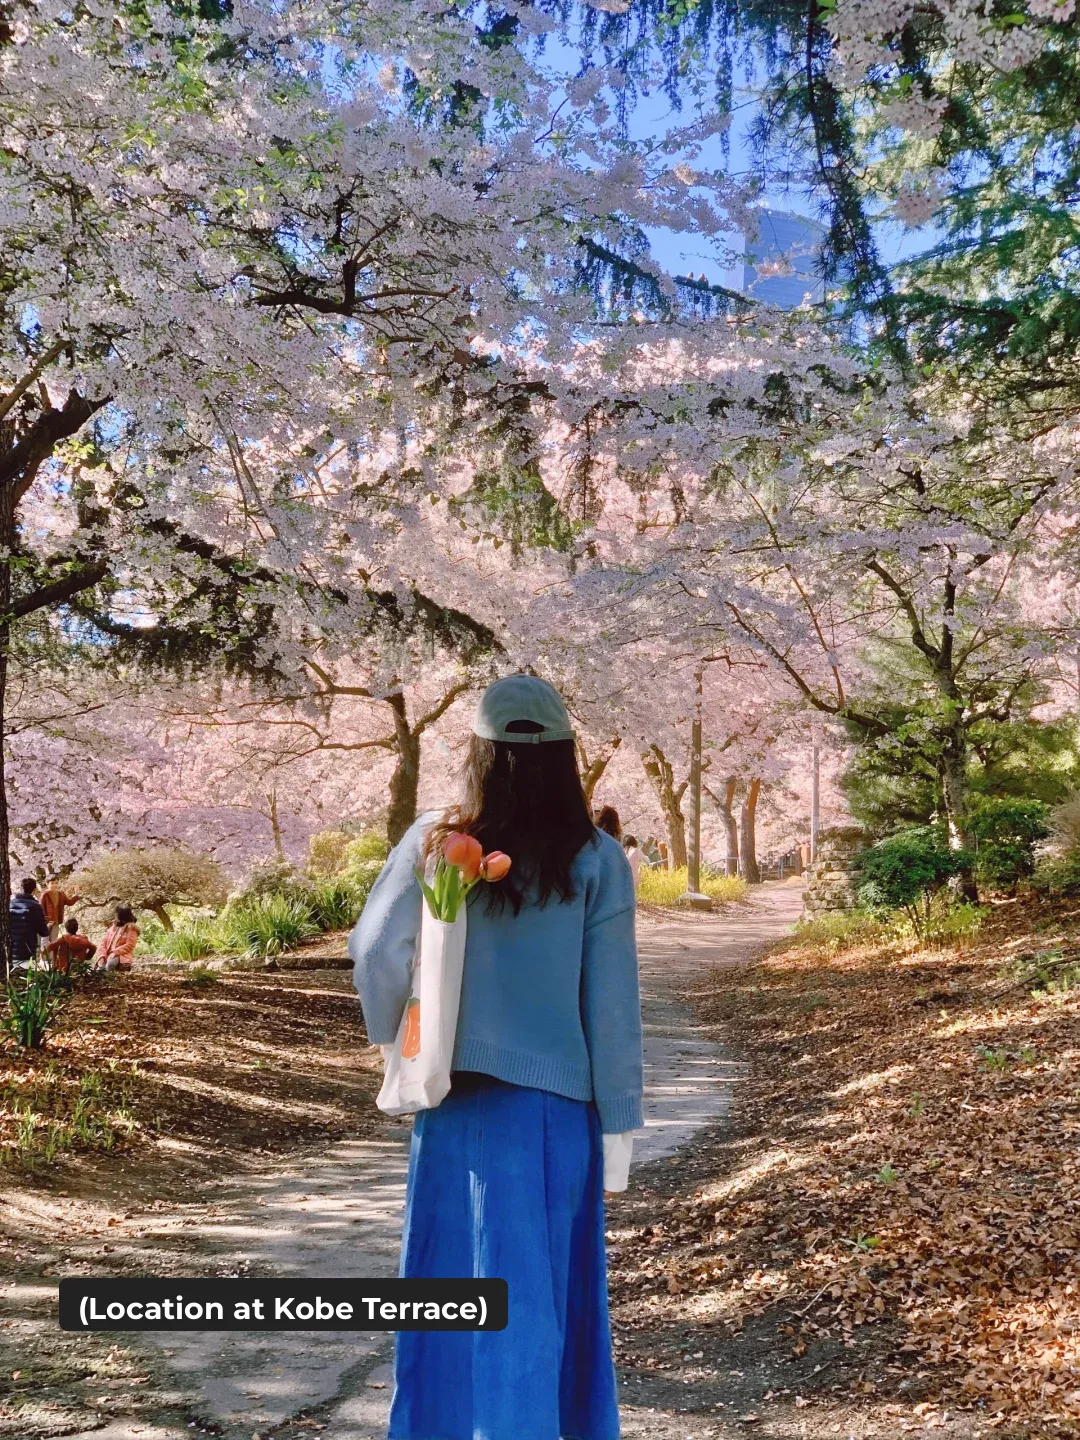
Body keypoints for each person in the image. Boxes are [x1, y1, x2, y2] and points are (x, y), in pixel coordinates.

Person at [350, 673, 642, 1440]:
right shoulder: (598, 859)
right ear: (566, 757)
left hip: (450, 1104)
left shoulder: (435, 842)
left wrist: (396, 1044)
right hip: (556, 1116)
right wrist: (619, 1133)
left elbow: (376, 950)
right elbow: (611, 1008)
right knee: (540, 1299)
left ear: (479, 755)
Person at [10, 877, 49, 972]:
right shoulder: (35, 906)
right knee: (28, 978)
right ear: (34, 890)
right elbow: (43, 932)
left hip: (10, 949)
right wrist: (46, 925)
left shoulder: (9, 904)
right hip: (28, 950)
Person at [95, 907, 139, 972]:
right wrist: (102, 955)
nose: (115, 917)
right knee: (99, 969)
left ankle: (111, 980)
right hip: (108, 954)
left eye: (117, 915)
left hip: (121, 955)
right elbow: (103, 942)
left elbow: (130, 945)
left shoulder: (131, 929)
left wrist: (115, 952)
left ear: (122, 917)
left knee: (110, 965)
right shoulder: (113, 928)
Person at [41, 878, 81, 942]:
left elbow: (69, 902)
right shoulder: (44, 895)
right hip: (46, 923)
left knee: (53, 941)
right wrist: (45, 921)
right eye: (52, 883)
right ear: (47, 884)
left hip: (56, 922)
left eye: (56, 883)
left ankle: (52, 952)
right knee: (45, 942)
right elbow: (41, 909)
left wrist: (76, 895)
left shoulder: (61, 894)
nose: (54, 885)